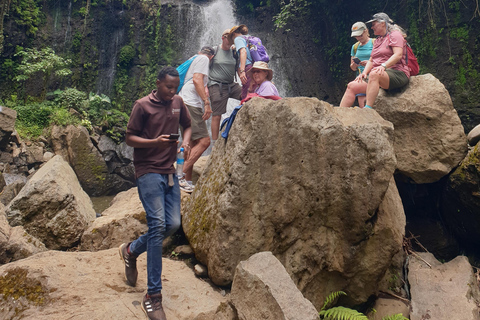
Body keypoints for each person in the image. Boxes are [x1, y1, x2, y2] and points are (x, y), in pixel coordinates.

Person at [119, 66, 192, 320]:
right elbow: (129, 138)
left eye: (176, 87)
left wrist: (185, 141)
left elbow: (188, 126)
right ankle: (153, 296)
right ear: (158, 83)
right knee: (158, 223)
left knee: (172, 224)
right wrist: (155, 142)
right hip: (147, 170)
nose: (173, 92)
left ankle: (130, 251)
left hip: (168, 171)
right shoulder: (142, 106)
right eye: (169, 87)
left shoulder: (178, 102)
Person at [339, 12, 410, 109]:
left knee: (374, 73)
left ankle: (368, 109)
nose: (372, 27)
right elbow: (371, 61)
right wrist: (364, 73)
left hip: (397, 72)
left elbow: (398, 54)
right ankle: (340, 115)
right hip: (379, 76)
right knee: (352, 86)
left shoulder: (395, 35)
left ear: (382, 24)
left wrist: (383, 66)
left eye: (373, 24)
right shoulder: (378, 40)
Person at [178, 46, 215, 191]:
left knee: (191, 144)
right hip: (190, 102)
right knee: (204, 141)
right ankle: (177, 176)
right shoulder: (204, 59)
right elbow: (197, 79)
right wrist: (206, 102)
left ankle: (187, 181)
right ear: (211, 57)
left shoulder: (193, 58)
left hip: (183, 101)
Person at [208, 29, 242, 144]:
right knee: (217, 114)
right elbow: (204, 65)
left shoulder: (234, 52)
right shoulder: (214, 50)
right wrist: (204, 86)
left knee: (248, 96)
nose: (231, 40)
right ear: (223, 38)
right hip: (216, 85)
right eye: (229, 38)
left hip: (231, 85)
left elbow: (238, 68)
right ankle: (214, 144)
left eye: (232, 38)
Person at [349, 21, 374, 108]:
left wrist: (369, 63)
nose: (358, 38)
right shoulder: (355, 47)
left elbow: (382, 60)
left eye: (360, 35)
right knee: (362, 105)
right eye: (356, 36)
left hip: (374, 76)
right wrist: (355, 64)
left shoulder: (375, 43)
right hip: (361, 77)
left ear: (366, 31)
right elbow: (352, 67)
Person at [228, 24, 253, 100]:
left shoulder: (238, 39)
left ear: (234, 34)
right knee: (253, 90)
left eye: (232, 38)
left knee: (246, 94)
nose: (233, 41)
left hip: (248, 67)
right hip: (255, 67)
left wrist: (242, 71)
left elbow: (243, 52)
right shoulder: (248, 38)